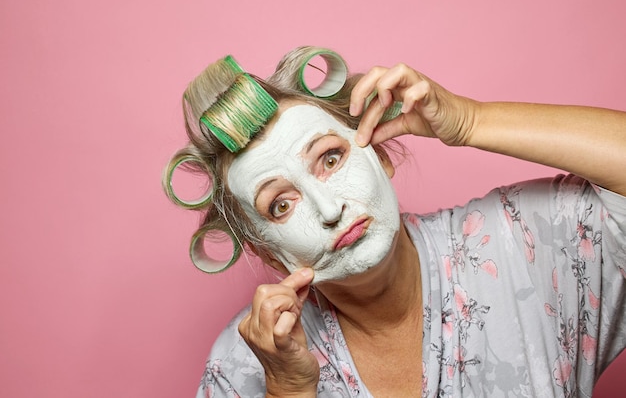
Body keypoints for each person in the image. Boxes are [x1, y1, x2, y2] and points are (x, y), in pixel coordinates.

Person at [163, 46, 626, 397]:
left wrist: (471, 122)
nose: (329, 210)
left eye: (330, 158)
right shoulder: (242, 364)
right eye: (281, 205)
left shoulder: (520, 241)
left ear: (379, 154)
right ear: (268, 251)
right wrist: (288, 390)